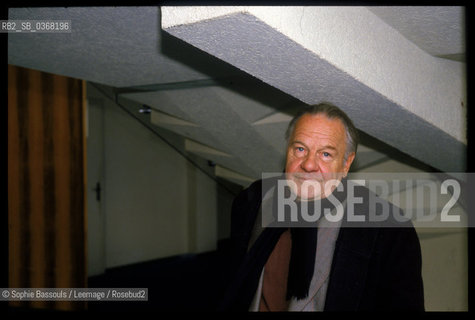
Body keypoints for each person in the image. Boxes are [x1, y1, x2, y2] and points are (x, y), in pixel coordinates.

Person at [218, 103, 425, 311]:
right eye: (300, 149)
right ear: (287, 150)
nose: (308, 165)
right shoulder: (252, 202)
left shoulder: (388, 229)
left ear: (346, 164)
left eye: (325, 154)